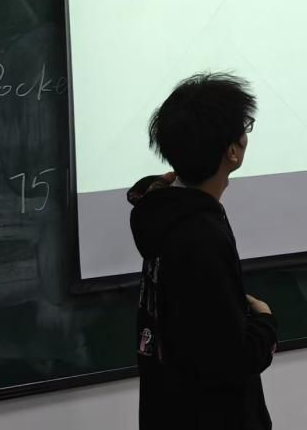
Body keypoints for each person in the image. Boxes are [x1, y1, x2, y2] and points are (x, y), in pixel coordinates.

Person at [128, 73, 277, 430]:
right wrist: (265, 323)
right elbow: (229, 360)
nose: (246, 134)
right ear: (232, 152)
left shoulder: (160, 211)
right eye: (244, 128)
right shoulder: (200, 235)